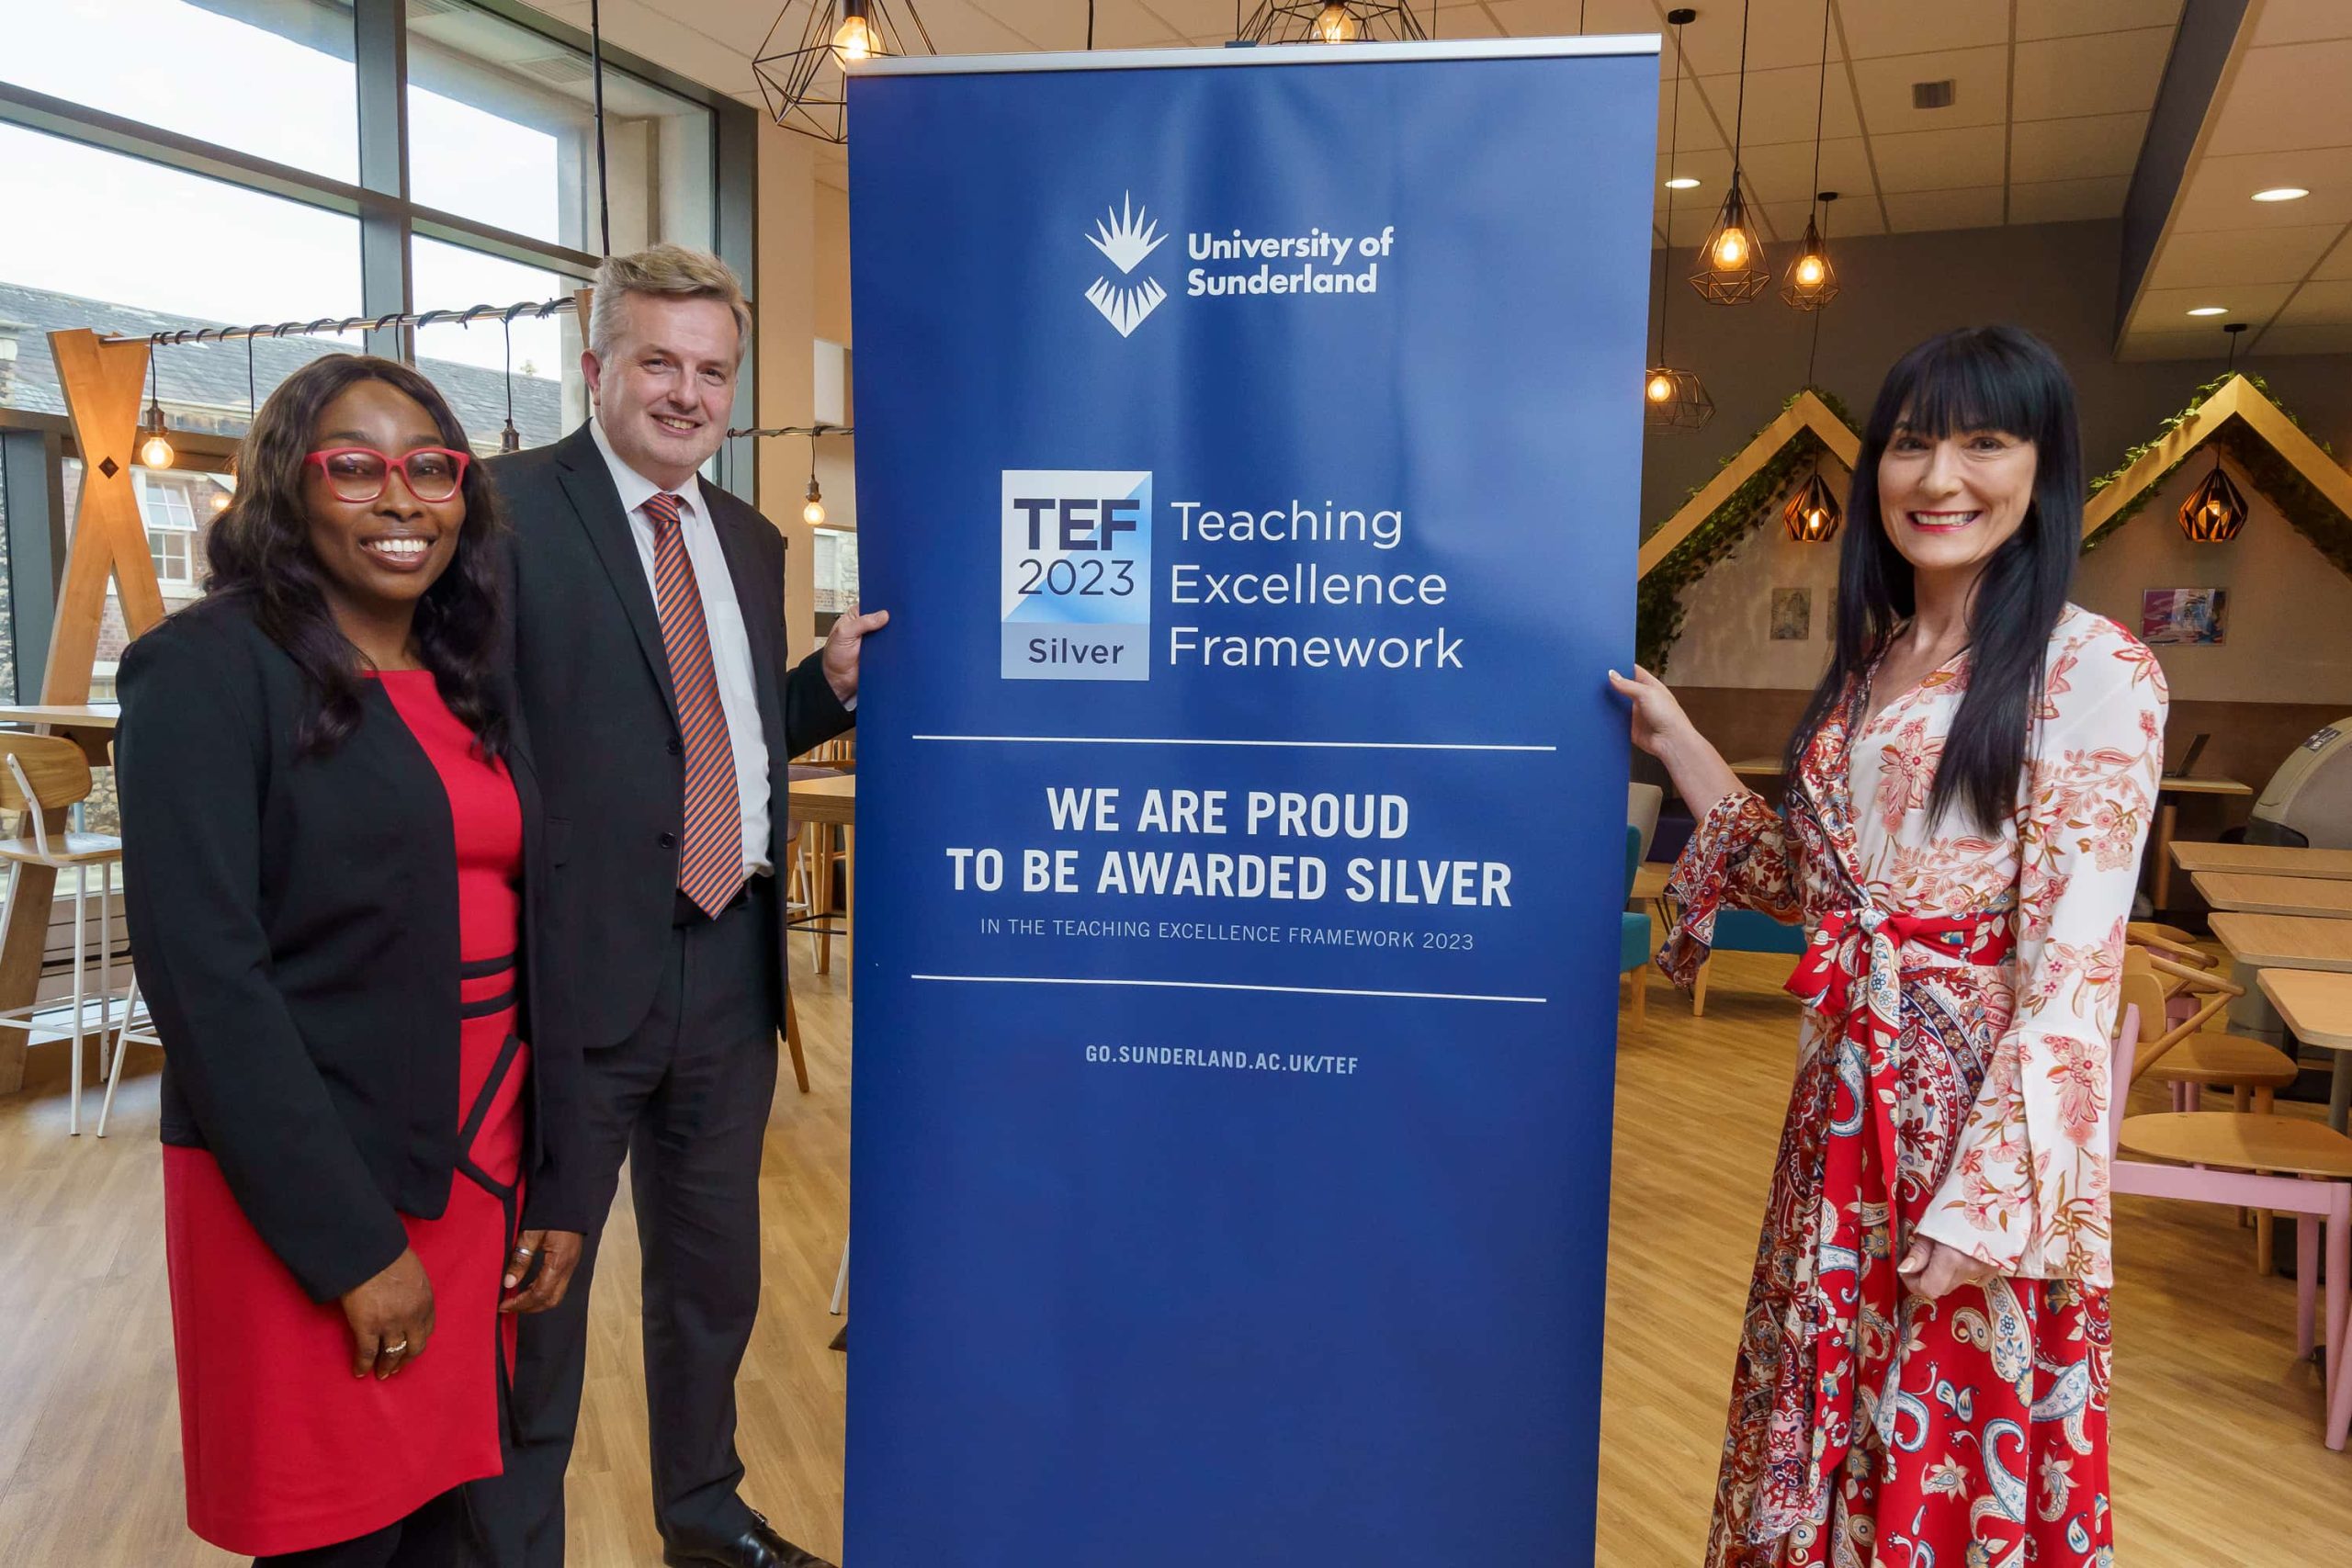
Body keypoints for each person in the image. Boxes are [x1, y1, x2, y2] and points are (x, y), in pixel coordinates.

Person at [1610, 325, 2166, 1567]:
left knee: (1940, 1449)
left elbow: (2077, 962)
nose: (1939, 477)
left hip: (1972, 1141)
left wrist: (1995, 1205)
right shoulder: (1873, 667)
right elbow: (1824, 889)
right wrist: (1679, 739)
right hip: (1838, 1118)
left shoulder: (2093, 669)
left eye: (1984, 441)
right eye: (1912, 444)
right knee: (1823, 1424)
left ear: (2044, 468)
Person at [118, 354, 585, 1565]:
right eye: (356, 466)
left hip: (476, 1165)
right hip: (313, 1187)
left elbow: (546, 930)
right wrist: (353, 1248)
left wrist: (558, 1178)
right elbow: (206, 982)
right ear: (288, 485)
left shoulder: (470, 679)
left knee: (446, 1523)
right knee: (336, 1536)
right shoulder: (207, 673)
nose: (401, 498)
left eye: (432, 468)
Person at [475, 243, 886, 1568]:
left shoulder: (752, 537)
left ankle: (704, 1519)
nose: (688, 392)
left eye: (713, 370)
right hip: (572, 971)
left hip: (729, 961)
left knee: (712, 1280)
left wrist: (819, 686)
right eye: (659, 360)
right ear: (594, 366)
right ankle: (512, 1539)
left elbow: (717, 726)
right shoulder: (502, 514)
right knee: (541, 1291)